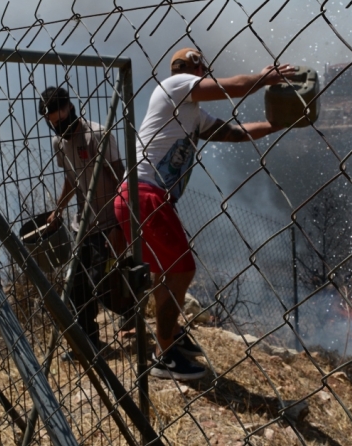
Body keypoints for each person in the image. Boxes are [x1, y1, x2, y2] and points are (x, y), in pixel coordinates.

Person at [114, 48, 296, 380]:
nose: (205, 73)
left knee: (167, 273)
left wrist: (275, 125)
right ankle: (164, 355)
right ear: (193, 69)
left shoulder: (192, 114)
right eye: (202, 68)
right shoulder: (175, 85)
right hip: (146, 194)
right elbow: (234, 87)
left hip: (135, 196)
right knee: (182, 271)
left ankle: (167, 338)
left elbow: (235, 133)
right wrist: (266, 77)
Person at [39, 86, 127, 359]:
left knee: (104, 282)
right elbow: (71, 178)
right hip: (82, 224)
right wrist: (59, 208)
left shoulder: (97, 135)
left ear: (69, 108)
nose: (58, 128)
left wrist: (119, 226)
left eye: (60, 120)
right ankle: (88, 342)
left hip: (108, 221)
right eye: (51, 124)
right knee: (77, 285)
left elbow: (120, 178)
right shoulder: (60, 143)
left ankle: (131, 317)